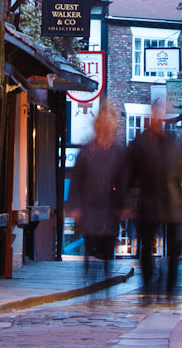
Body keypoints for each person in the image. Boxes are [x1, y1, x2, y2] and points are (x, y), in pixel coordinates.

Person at [126, 98, 182, 299]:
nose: (158, 118)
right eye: (156, 114)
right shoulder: (140, 143)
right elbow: (128, 174)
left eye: (161, 114)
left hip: (172, 204)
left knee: (174, 250)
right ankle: (148, 287)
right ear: (151, 115)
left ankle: (170, 289)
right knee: (146, 248)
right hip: (147, 204)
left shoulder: (174, 143)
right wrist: (129, 201)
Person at [67, 102, 126, 283]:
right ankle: (91, 283)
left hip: (109, 209)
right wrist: (75, 207)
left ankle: (104, 285)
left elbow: (123, 181)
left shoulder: (118, 151)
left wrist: (123, 206)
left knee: (107, 249)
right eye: (102, 123)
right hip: (90, 208)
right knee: (91, 247)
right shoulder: (87, 152)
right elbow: (77, 180)